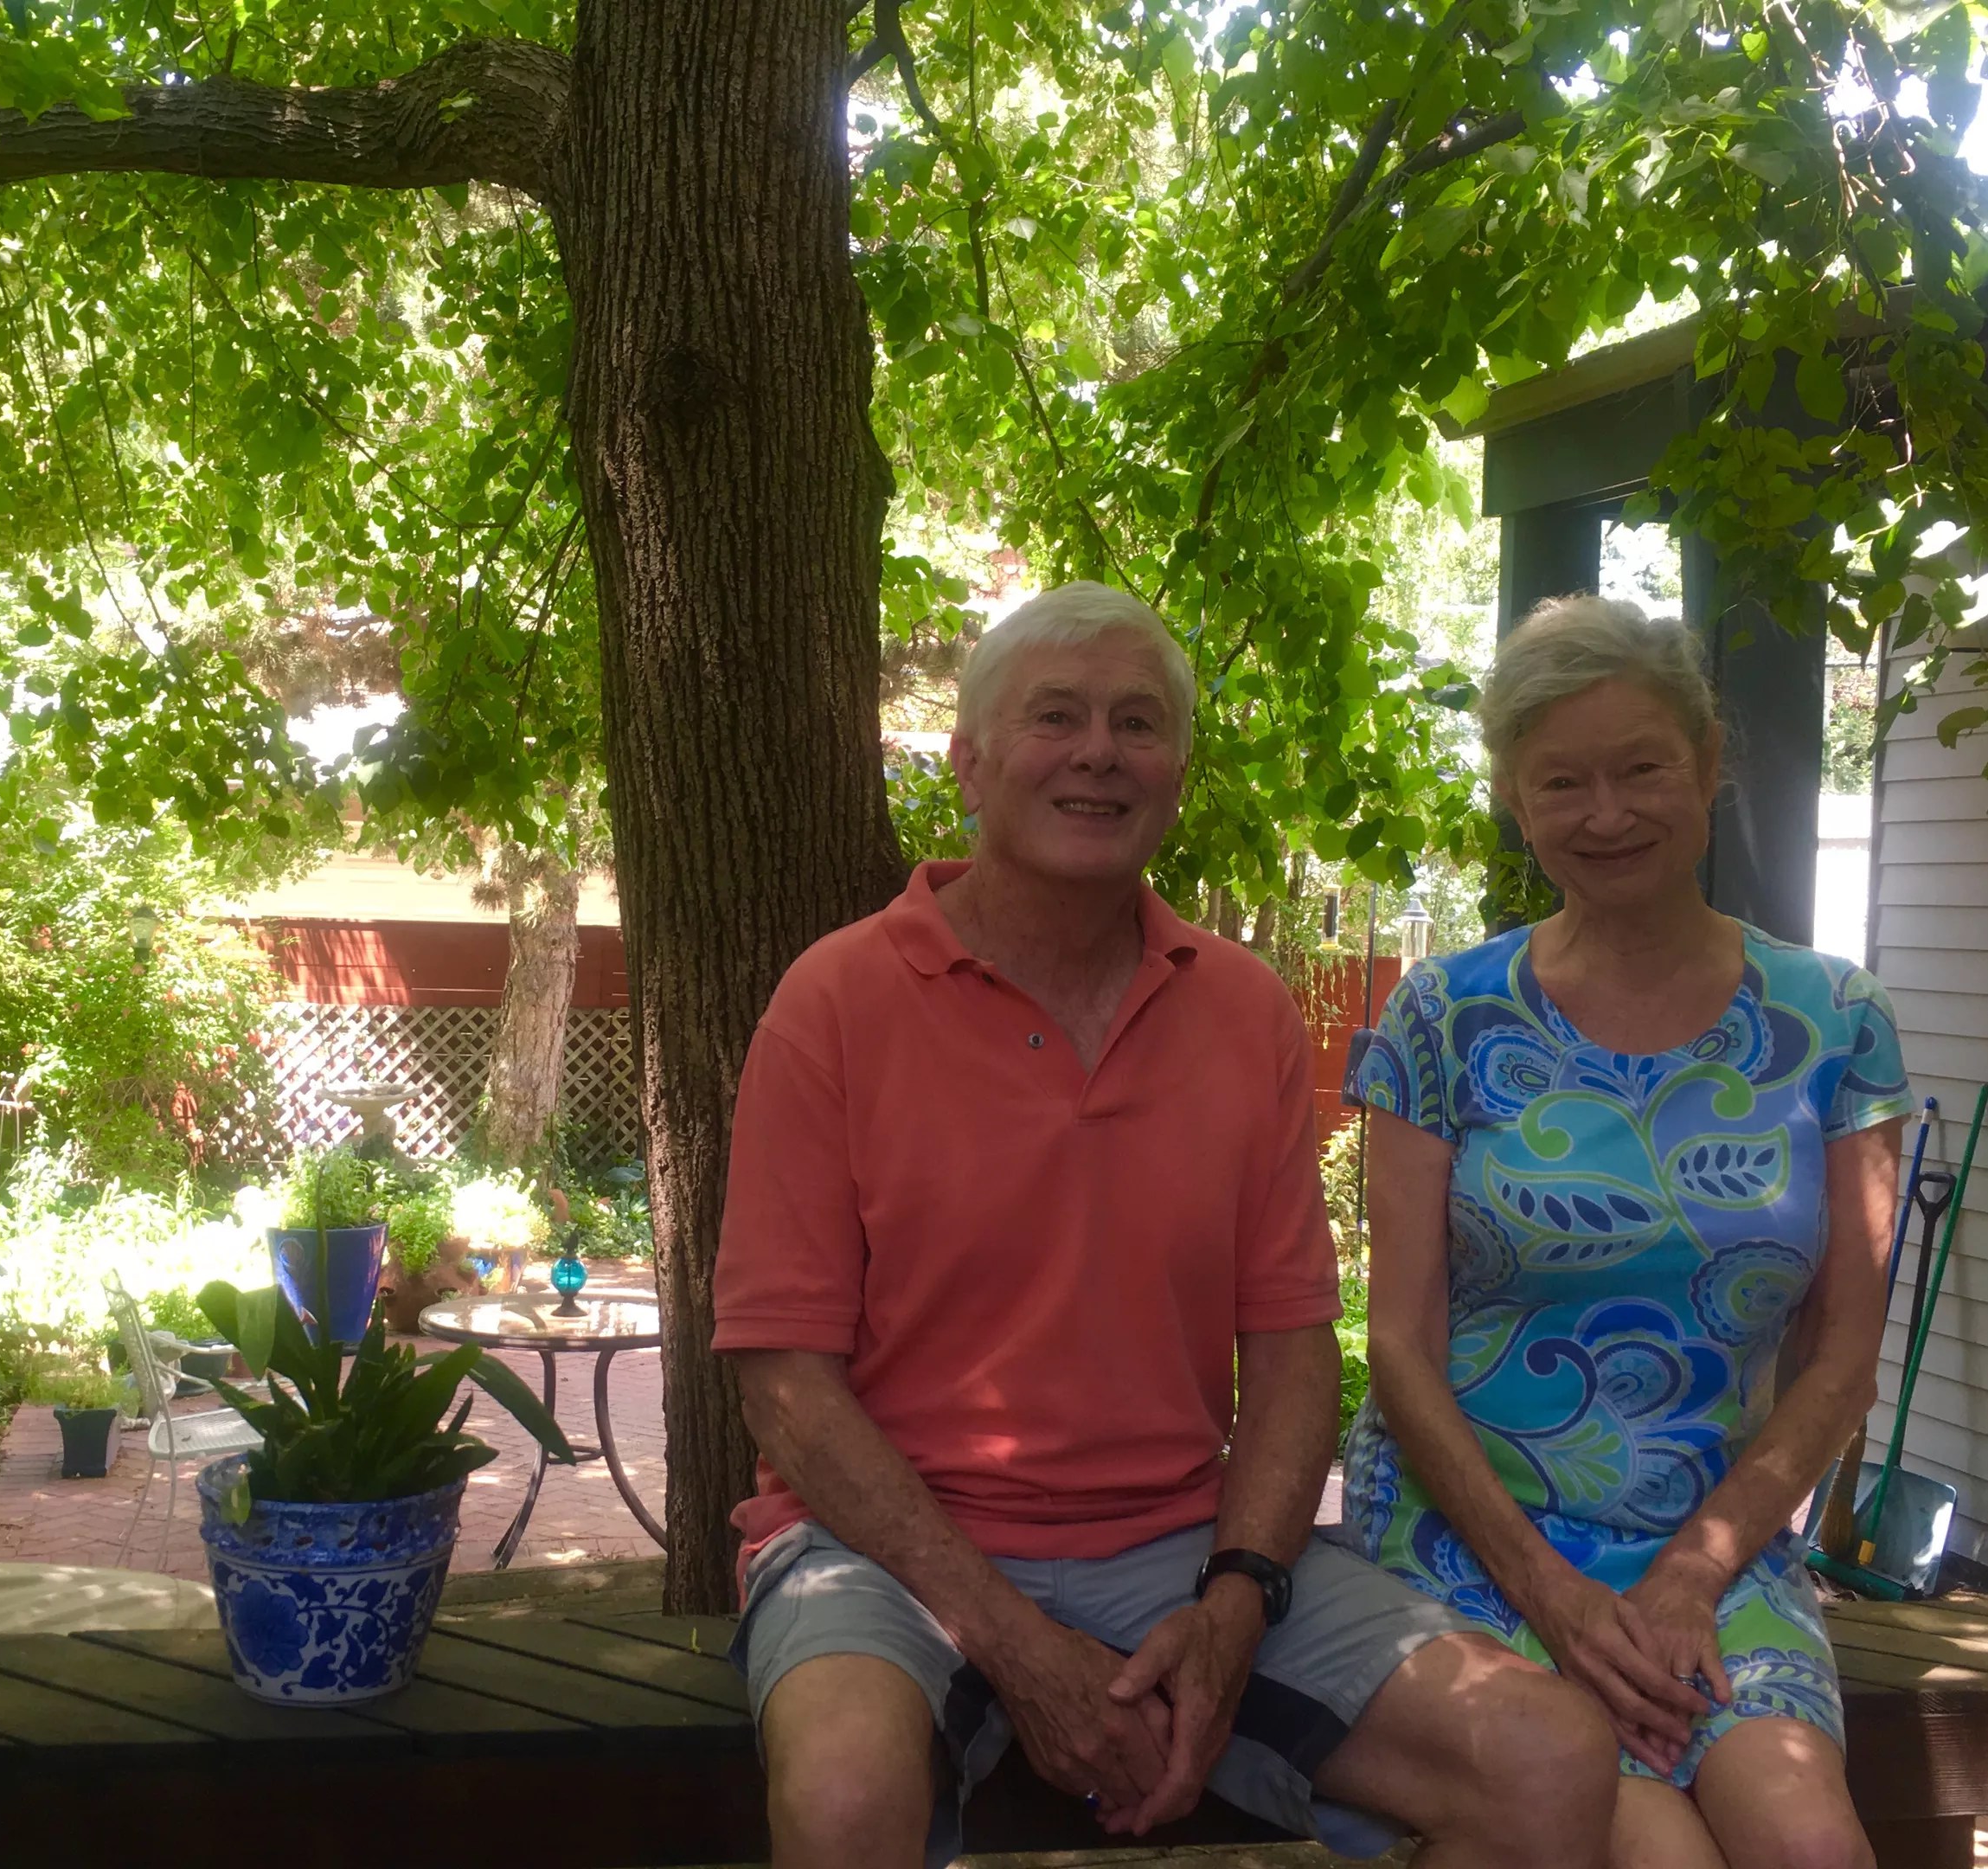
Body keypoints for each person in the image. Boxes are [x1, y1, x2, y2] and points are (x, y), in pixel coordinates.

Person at [711, 580, 1622, 1869]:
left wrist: (1238, 1598)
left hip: (1180, 1544)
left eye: (1137, 723)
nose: (1099, 752)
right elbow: (784, 1384)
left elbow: (1293, 1351)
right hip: (886, 1554)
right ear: (968, 761)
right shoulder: (835, 999)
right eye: (1056, 717)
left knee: (1548, 1758)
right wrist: (1017, 1645)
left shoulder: (1243, 1011)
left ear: (1177, 776)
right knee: (846, 1798)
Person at [1342, 594, 1911, 1869]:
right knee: (1658, 1852)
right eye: (1562, 782)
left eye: (1642, 768)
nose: (1606, 814)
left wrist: (1695, 1571)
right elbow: (1399, 1345)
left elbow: (1841, 1361)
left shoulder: (1835, 1020)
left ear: (1707, 764)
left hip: (1712, 1539)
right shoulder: (1444, 1016)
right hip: (1473, 1532)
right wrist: (1552, 1594)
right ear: (1514, 797)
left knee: (1810, 1846)